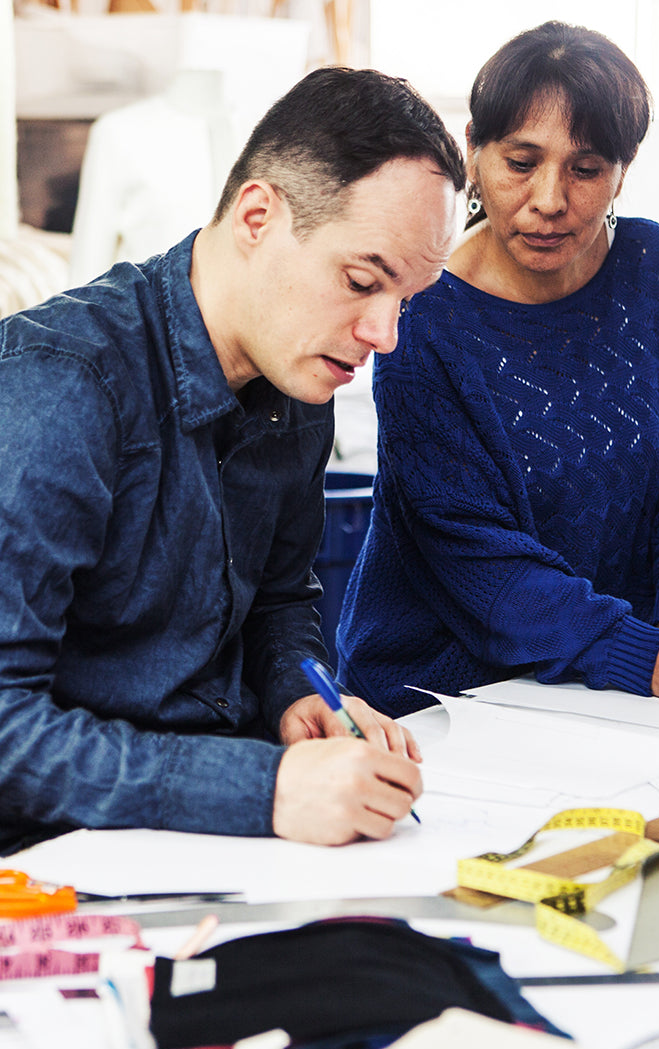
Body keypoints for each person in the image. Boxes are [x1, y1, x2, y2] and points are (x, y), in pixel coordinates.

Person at [0, 66, 464, 854]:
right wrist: (263, 788)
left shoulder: (300, 377)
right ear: (257, 216)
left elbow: (281, 599)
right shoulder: (61, 386)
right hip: (58, 860)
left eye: (406, 300)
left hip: (220, 842)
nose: (385, 334)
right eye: (361, 281)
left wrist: (296, 691)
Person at [338, 21, 659, 717]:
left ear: (621, 172)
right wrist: (647, 655)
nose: (549, 199)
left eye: (586, 167)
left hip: (621, 690)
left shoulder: (652, 266)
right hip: (447, 695)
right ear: (473, 156)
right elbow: (478, 561)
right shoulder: (422, 319)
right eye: (521, 161)